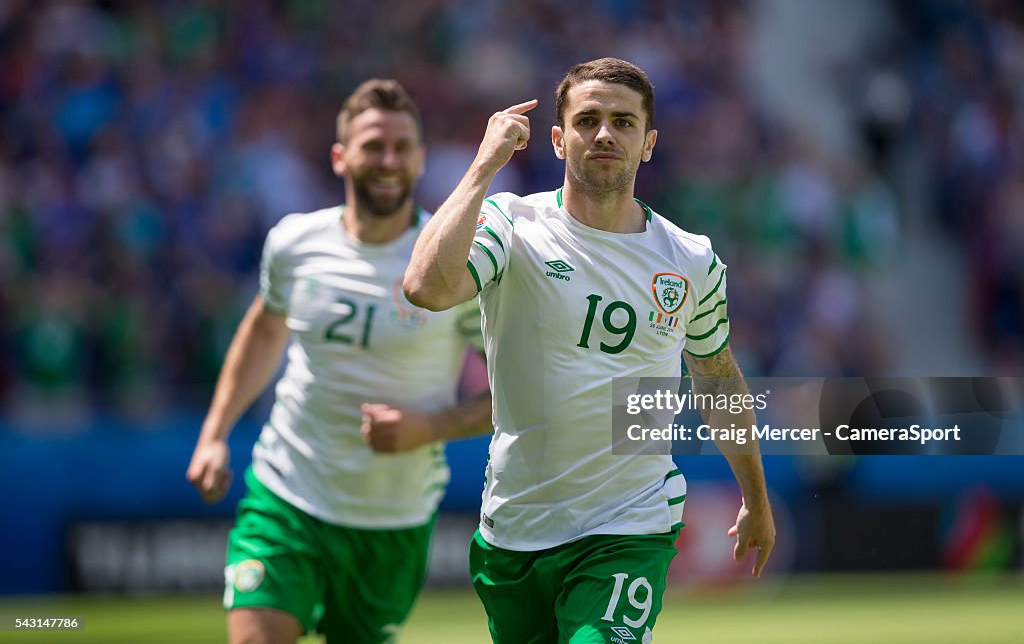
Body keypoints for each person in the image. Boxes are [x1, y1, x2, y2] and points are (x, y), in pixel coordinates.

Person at [403, 58, 776, 643]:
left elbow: (717, 378)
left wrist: (756, 496)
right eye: (588, 120)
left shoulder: (690, 259)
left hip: (630, 522)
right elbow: (426, 287)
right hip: (517, 525)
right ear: (558, 138)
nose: (605, 134)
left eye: (624, 122)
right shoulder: (511, 224)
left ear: (648, 143)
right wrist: (483, 166)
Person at [186, 79, 491, 644]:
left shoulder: (455, 268)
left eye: (402, 147)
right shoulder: (295, 242)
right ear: (339, 156)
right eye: (373, 145)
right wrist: (215, 433)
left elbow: (516, 389)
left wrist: (429, 428)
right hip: (288, 495)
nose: (389, 160)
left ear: (421, 158)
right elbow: (263, 329)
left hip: (392, 521)